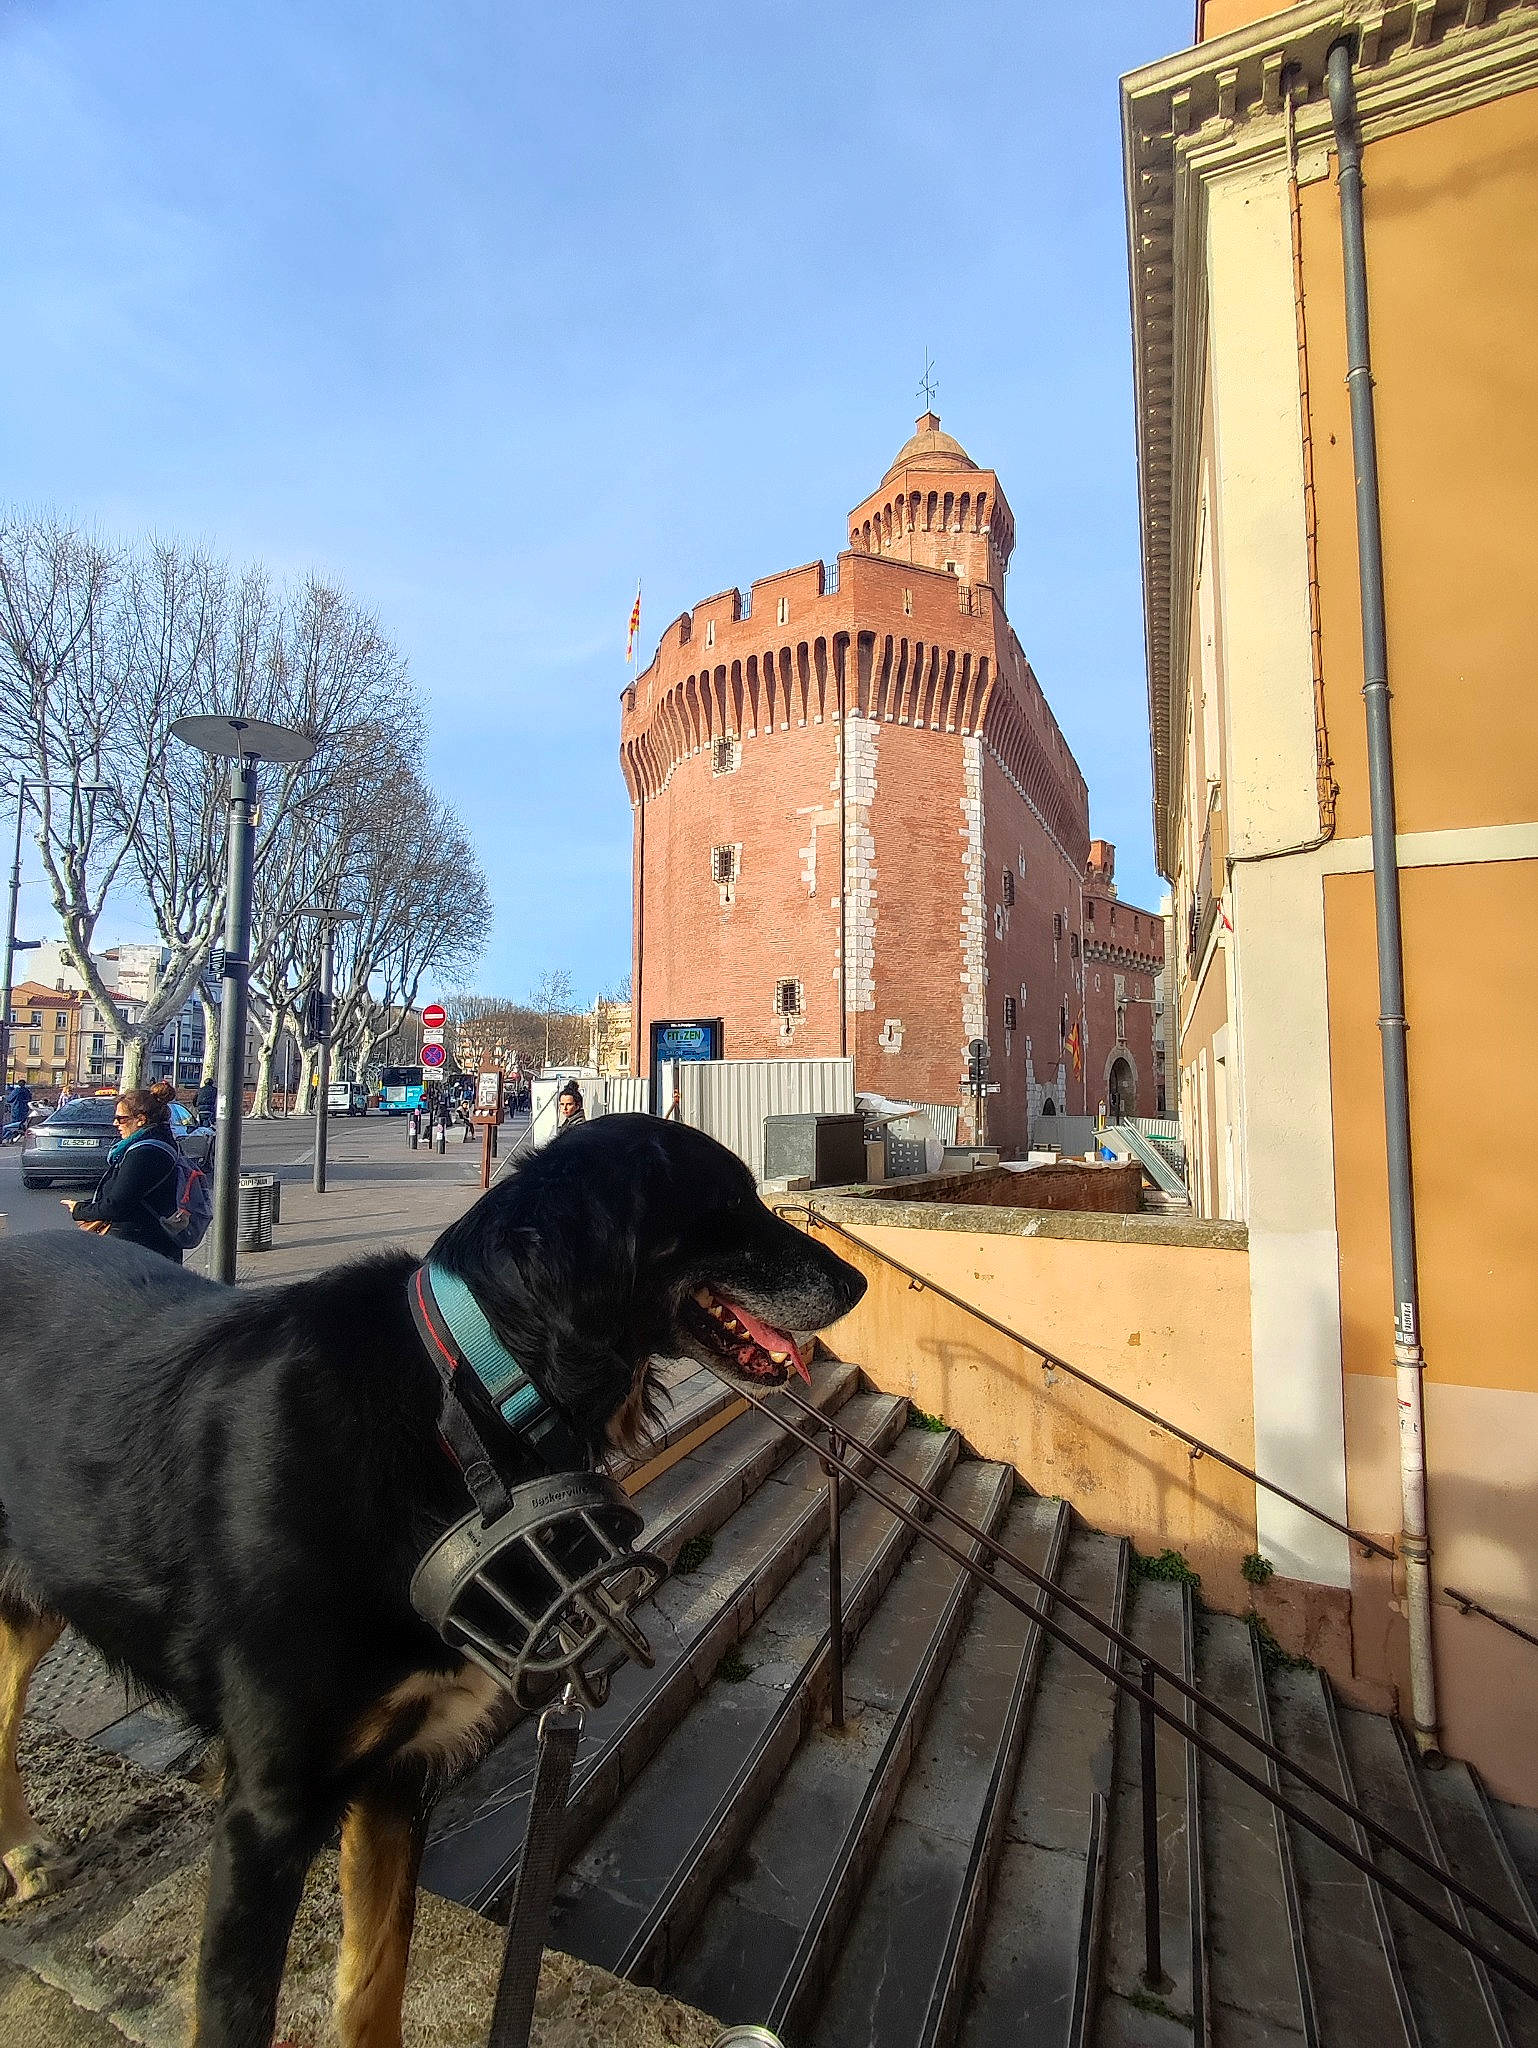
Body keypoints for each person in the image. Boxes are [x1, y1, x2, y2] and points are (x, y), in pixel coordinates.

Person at [67, 1081, 186, 1263]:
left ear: (141, 1119)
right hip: (156, 1245)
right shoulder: (161, 1143)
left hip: (138, 1248)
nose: (116, 1123)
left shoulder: (145, 1152)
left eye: (121, 1118)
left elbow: (116, 1205)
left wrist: (80, 1209)